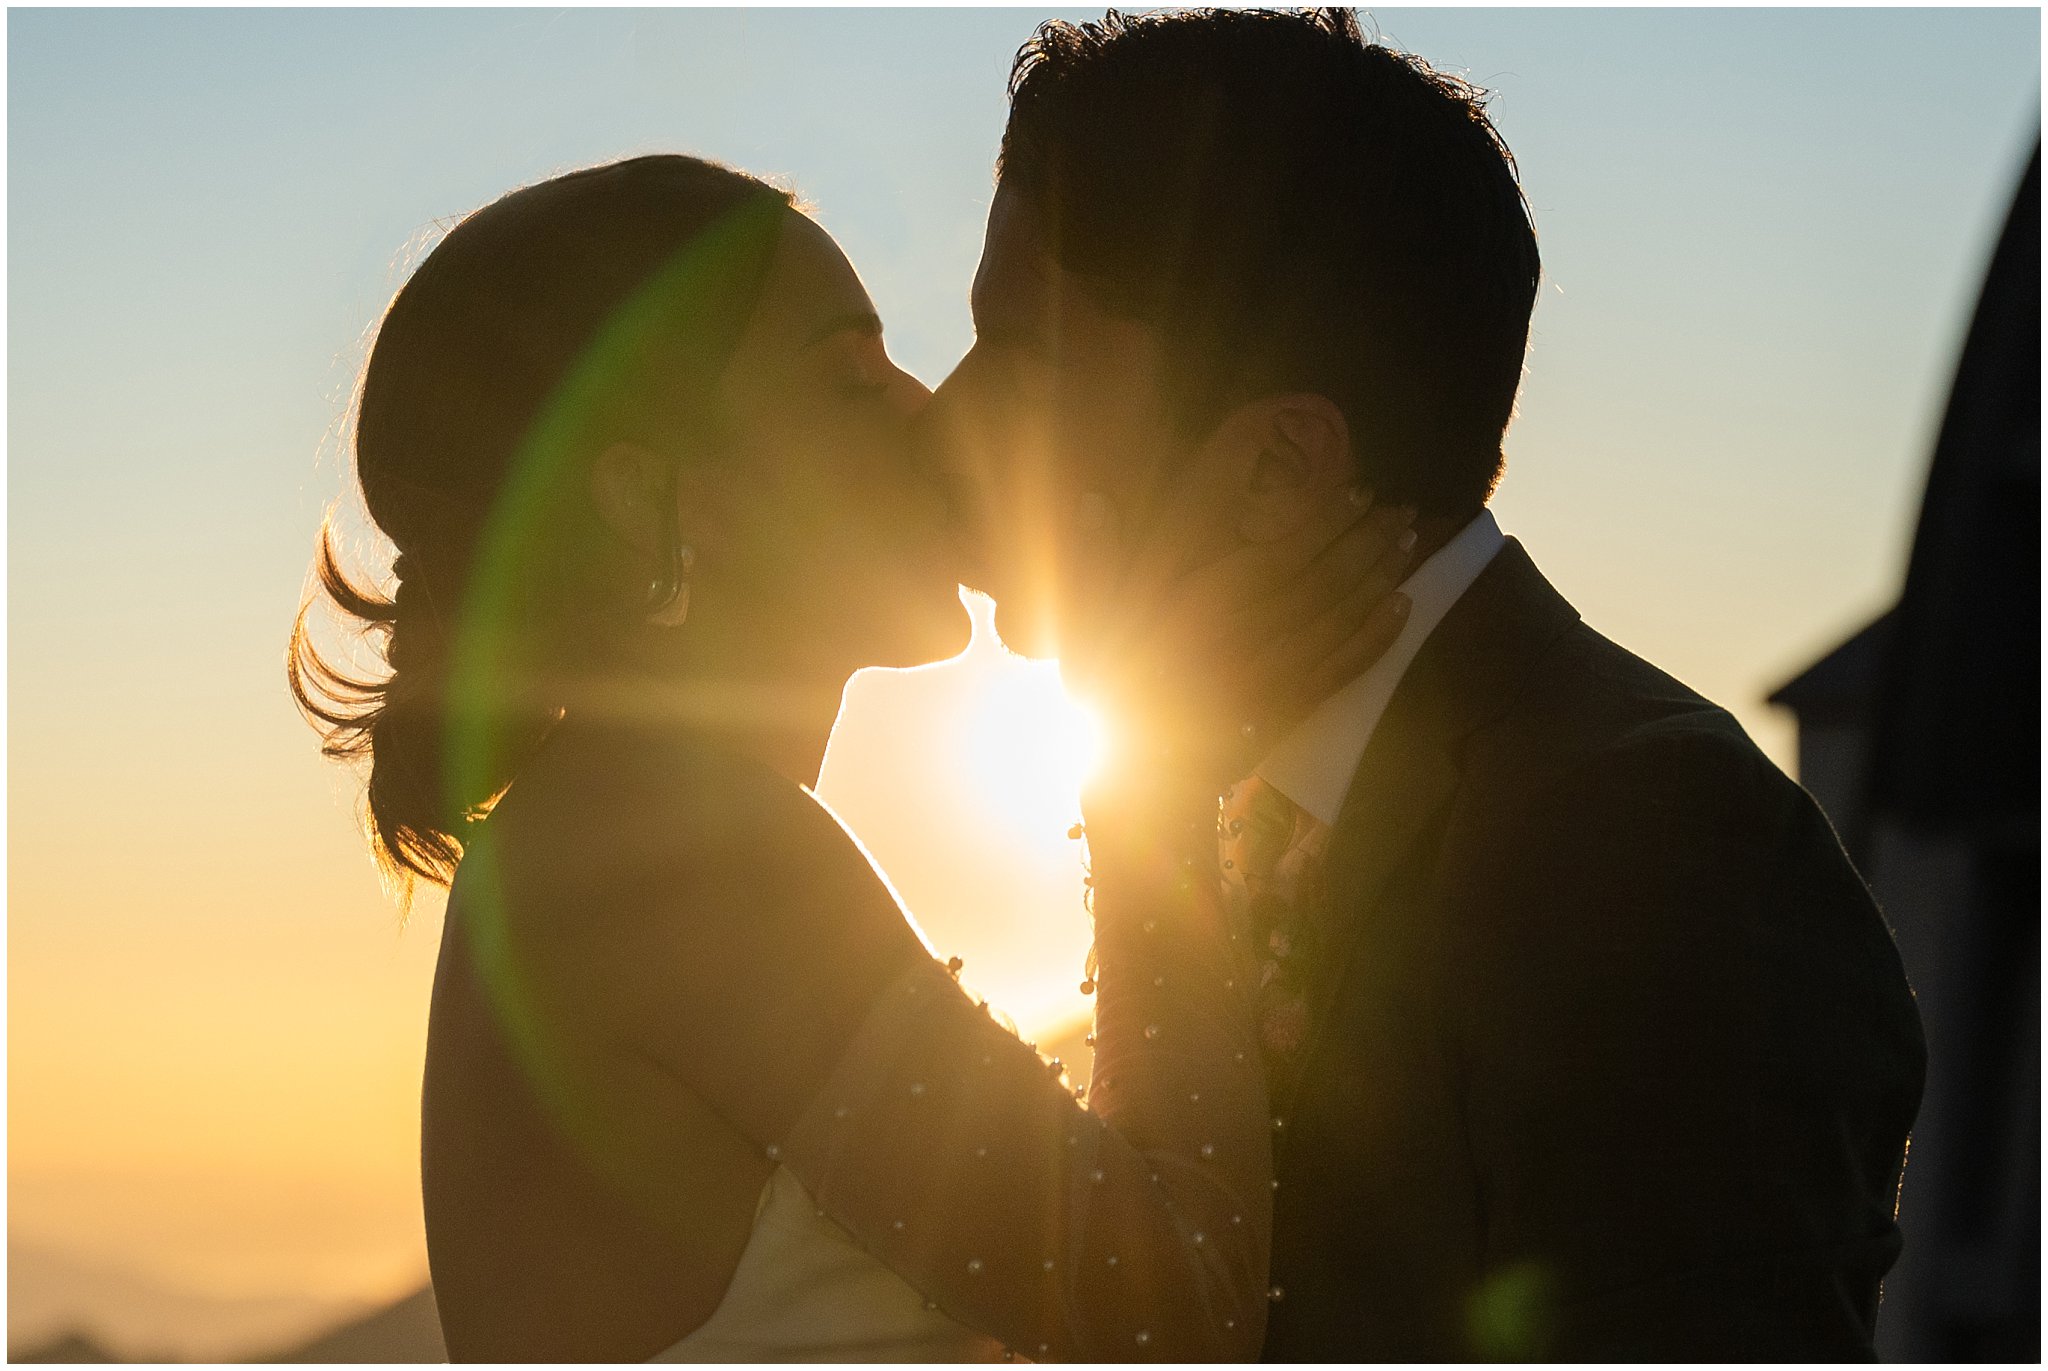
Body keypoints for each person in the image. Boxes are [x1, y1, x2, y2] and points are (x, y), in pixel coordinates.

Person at [289, 153, 1419, 1361]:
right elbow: (1173, 1319)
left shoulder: (601, 834)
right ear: (646, 499)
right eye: (846, 380)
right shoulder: (670, 850)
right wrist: (1163, 757)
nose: (928, 406)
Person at [920, 9, 1927, 1360]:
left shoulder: (1659, 849)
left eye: (1019, 355)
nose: (946, 416)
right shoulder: (1217, 790)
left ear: (1280, 466)